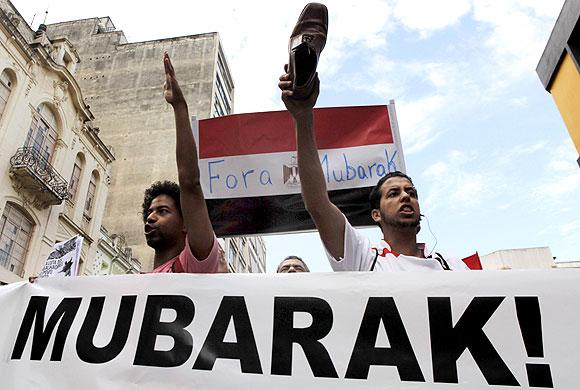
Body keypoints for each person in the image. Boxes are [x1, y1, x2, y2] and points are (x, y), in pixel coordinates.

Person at [278, 69, 468, 272]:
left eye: (411, 193)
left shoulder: (453, 266)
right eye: (394, 194)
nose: (406, 197)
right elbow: (317, 204)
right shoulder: (364, 259)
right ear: (376, 214)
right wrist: (303, 115)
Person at [143, 53, 219, 273]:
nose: (151, 217)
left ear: (186, 223)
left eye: (163, 211)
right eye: (150, 212)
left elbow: (189, 182)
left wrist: (179, 106)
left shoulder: (193, 264)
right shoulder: (135, 284)